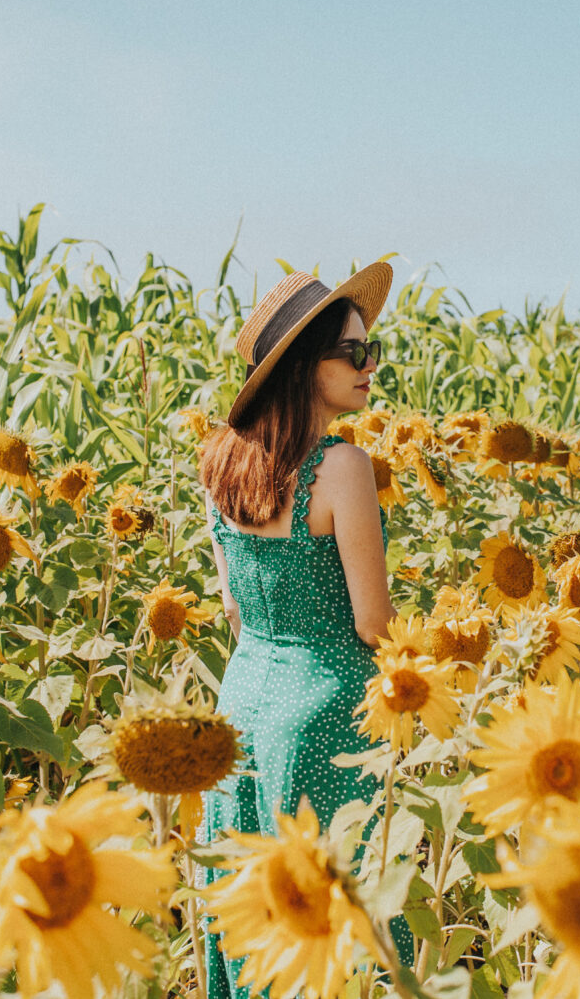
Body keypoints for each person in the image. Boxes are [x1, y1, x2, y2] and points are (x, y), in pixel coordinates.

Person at [197, 263, 410, 998]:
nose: (370, 366)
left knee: (258, 923)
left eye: (370, 351)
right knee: (345, 935)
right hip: (329, 721)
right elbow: (373, 622)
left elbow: (232, 610)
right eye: (351, 354)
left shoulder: (221, 464)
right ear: (301, 366)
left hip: (241, 712)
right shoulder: (343, 467)